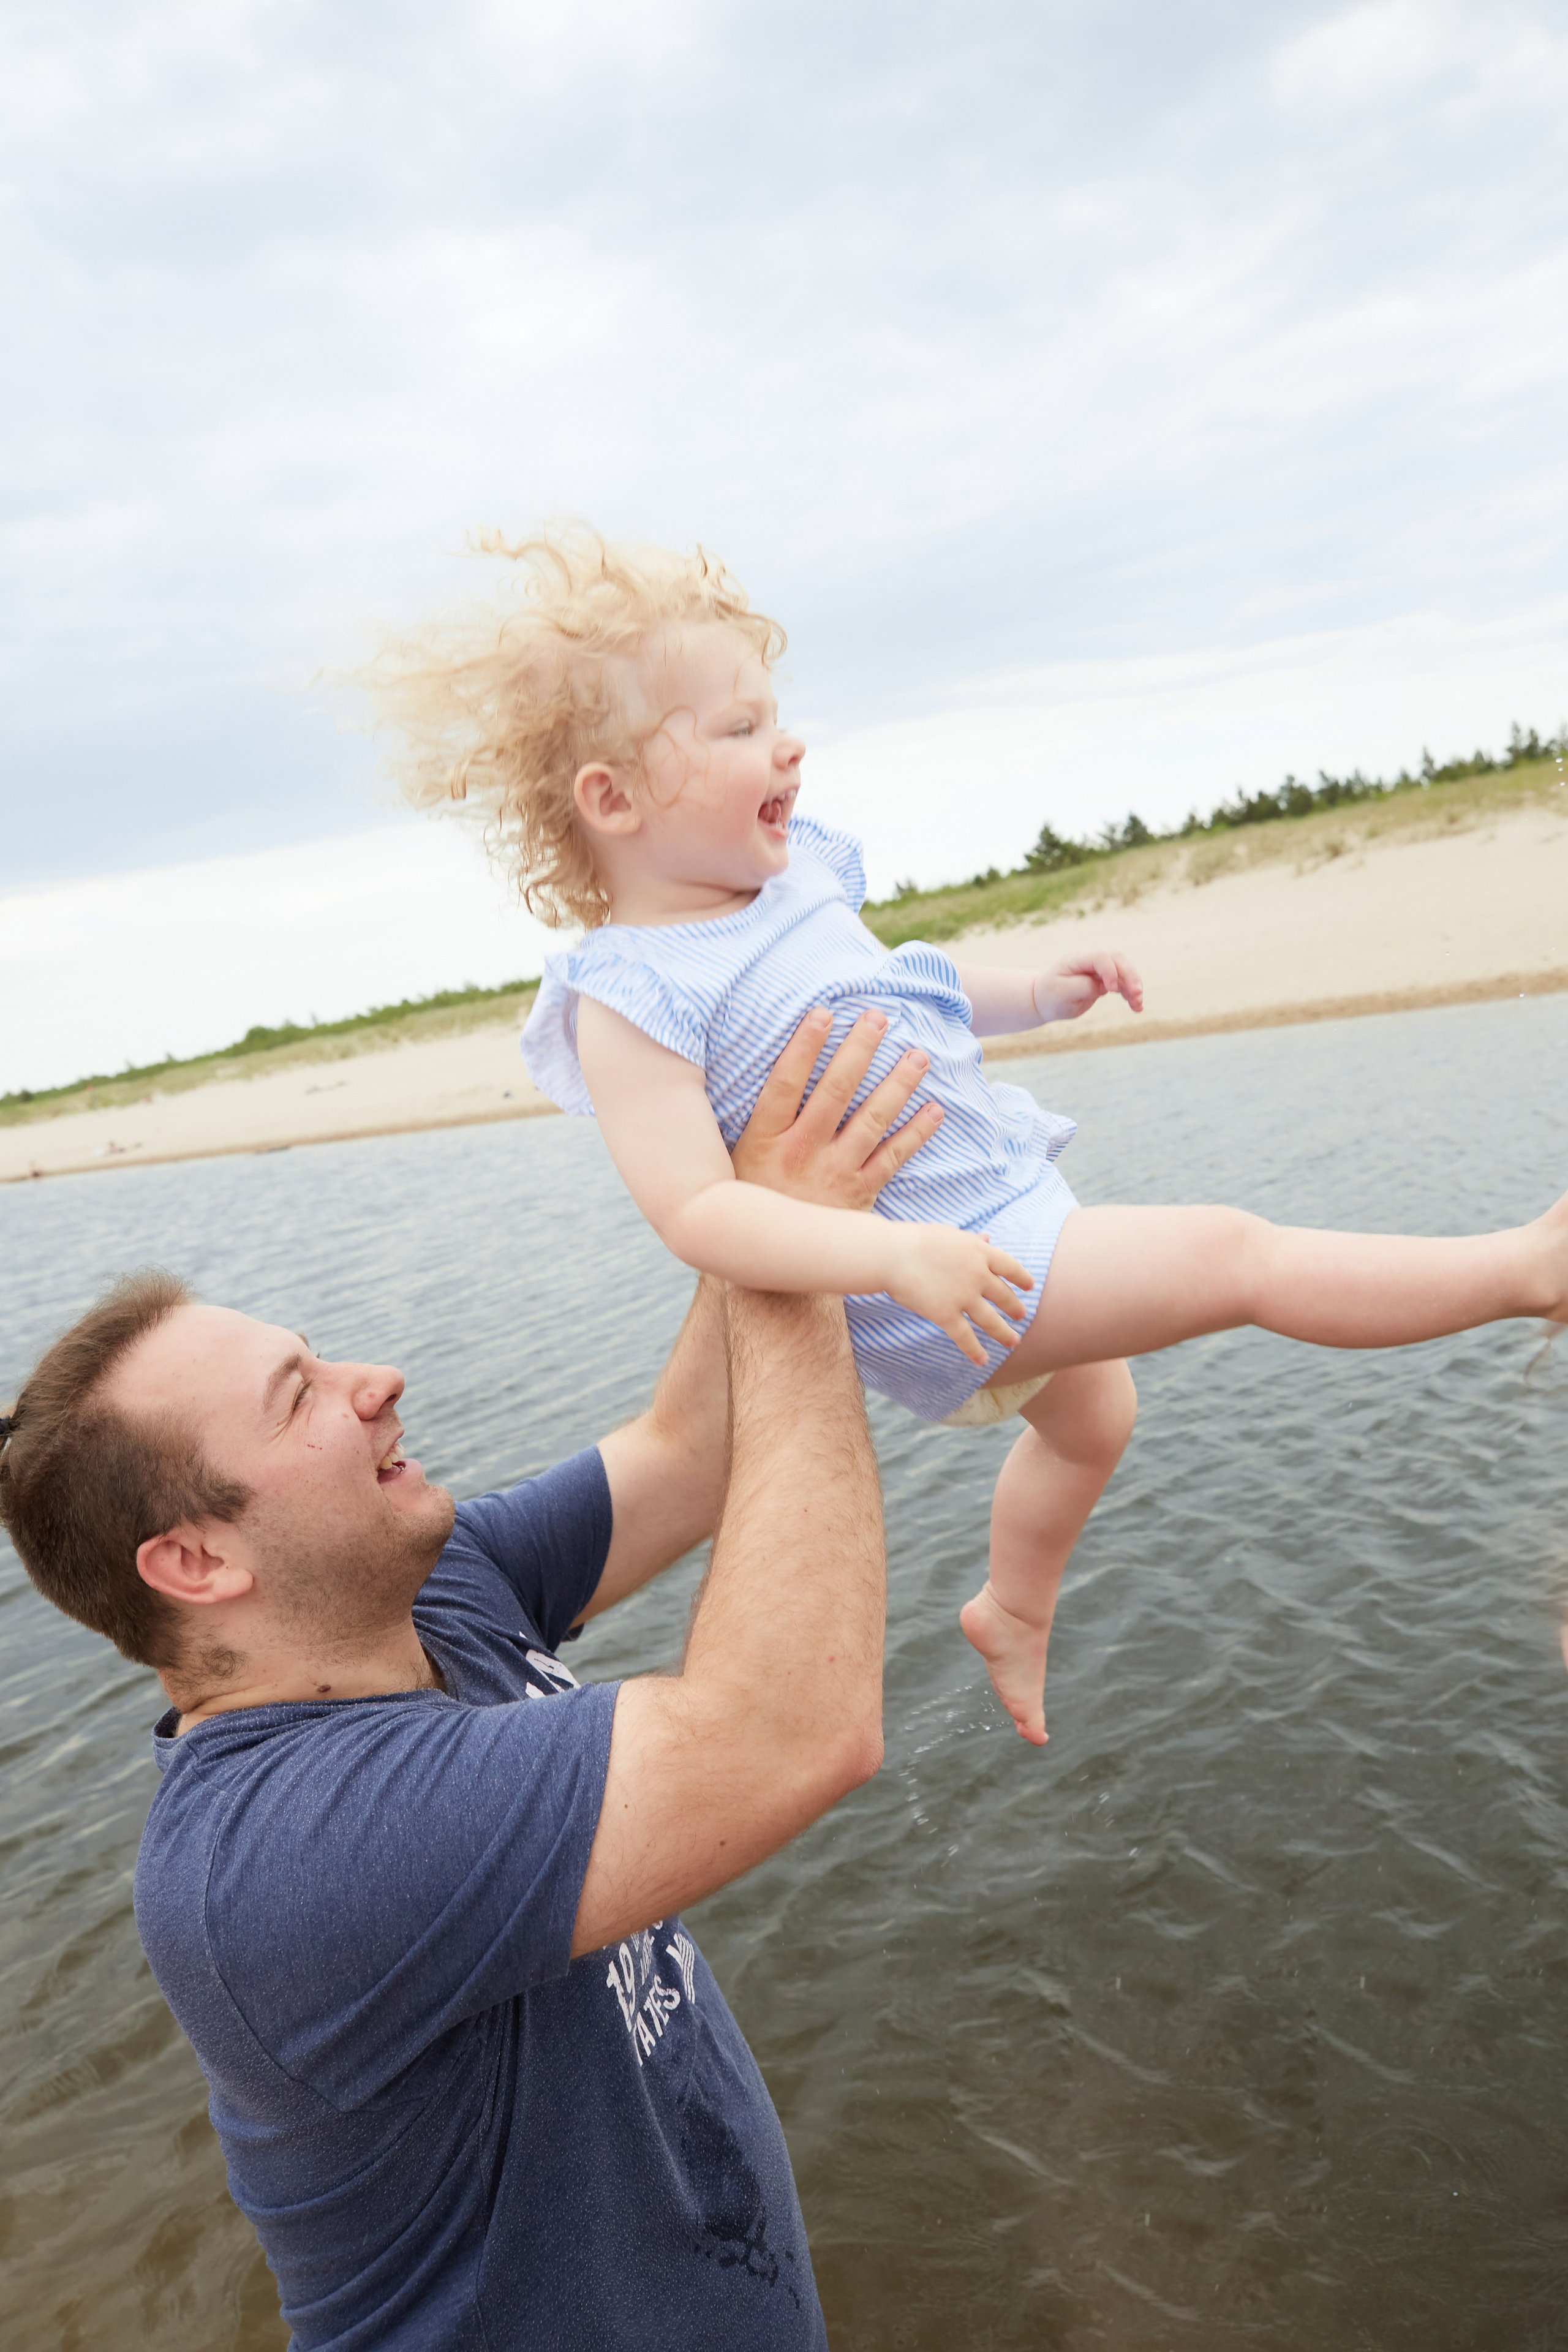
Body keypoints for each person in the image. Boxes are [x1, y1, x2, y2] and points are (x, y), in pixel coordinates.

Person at [375, 526, 1568, 1746]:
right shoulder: (632, 995)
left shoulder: (792, 890)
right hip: (932, 1273)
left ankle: (1013, 1605)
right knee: (1231, 1255)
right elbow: (697, 1215)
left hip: (1003, 1214)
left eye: (774, 716)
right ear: (612, 799)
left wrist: (1038, 993)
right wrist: (890, 1261)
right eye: (737, 731)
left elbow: (912, 989)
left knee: (1096, 1420)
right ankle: (1524, 1273)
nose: (785, 745)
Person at [0, 1019, 940, 2352]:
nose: (376, 1381)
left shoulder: (419, 1587)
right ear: (197, 1560)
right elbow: (792, 1730)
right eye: (300, 1396)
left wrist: (755, 1198)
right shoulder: (284, 1862)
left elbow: (684, 1449)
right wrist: (809, 1255)